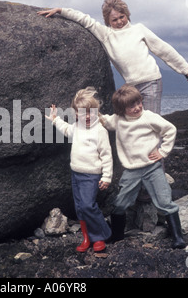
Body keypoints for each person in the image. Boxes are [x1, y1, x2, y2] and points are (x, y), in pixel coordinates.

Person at [37, 0, 188, 115]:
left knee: (151, 123)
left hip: (151, 81)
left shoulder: (139, 29)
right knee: (133, 125)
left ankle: (156, 160)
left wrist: (184, 68)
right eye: (114, 19)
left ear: (127, 14)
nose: (120, 21)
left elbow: (163, 49)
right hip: (131, 87)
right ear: (108, 21)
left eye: (122, 17)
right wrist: (61, 10)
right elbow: (86, 20)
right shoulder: (106, 35)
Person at [102, 85, 185, 249]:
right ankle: (117, 237)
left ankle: (178, 237)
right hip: (131, 170)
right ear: (121, 109)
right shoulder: (118, 120)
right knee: (120, 203)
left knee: (164, 200)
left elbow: (170, 129)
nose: (137, 107)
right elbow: (104, 120)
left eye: (139, 102)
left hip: (152, 168)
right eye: (132, 105)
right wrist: (89, 111)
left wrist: (163, 151)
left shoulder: (148, 117)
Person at [45, 87, 113, 252]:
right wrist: (55, 119)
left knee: (88, 205)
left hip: (91, 175)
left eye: (91, 112)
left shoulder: (100, 131)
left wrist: (106, 177)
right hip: (76, 173)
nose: (87, 116)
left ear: (97, 112)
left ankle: (101, 235)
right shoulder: (76, 127)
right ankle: (86, 238)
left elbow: (107, 156)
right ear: (76, 114)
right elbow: (66, 129)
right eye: (83, 113)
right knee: (80, 207)